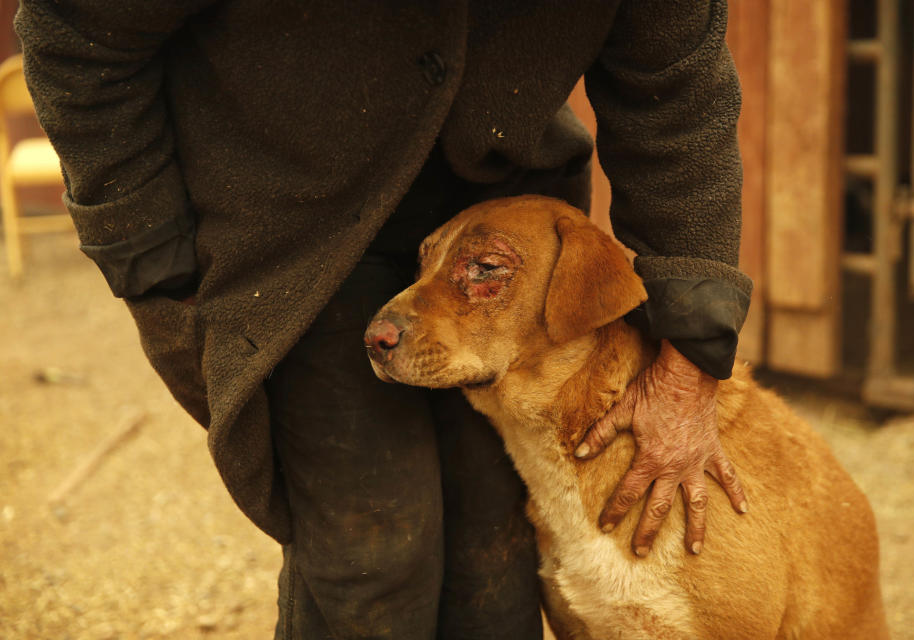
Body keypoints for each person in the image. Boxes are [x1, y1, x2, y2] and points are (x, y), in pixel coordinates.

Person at [16, 1, 751, 638]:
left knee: (495, 554)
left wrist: (692, 354)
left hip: (500, 212)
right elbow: (75, 35)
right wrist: (152, 258)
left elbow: (678, 99)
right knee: (373, 556)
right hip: (296, 231)